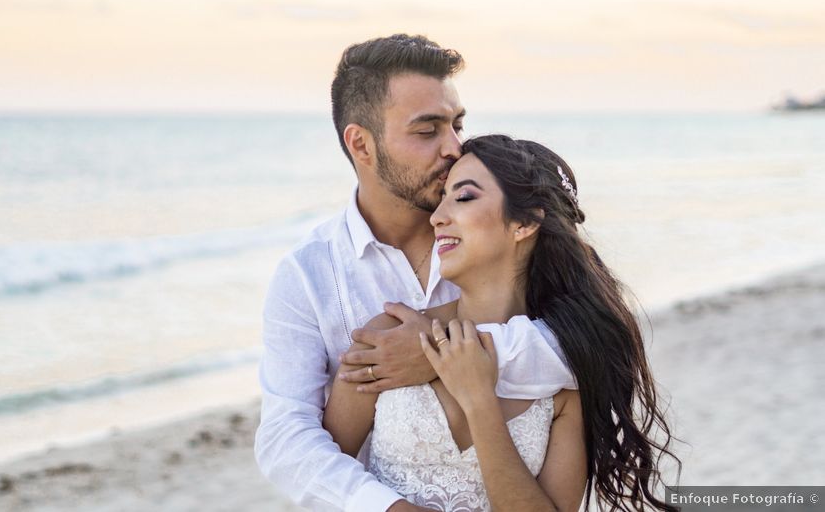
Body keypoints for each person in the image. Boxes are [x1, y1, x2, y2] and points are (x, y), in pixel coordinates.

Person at [255, 35, 575, 512]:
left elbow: (595, 340)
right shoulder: (309, 274)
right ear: (361, 144)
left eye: (457, 125)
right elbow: (286, 438)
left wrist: (441, 352)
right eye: (428, 131)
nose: (453, 148)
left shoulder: (489, 240)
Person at [323, 135, 678, 511]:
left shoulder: (563, 380)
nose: (437, 217)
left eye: (463, 197)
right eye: (441, 198)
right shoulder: (389, 338)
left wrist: (480, 402)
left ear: (525, 221)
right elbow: (323, 481)